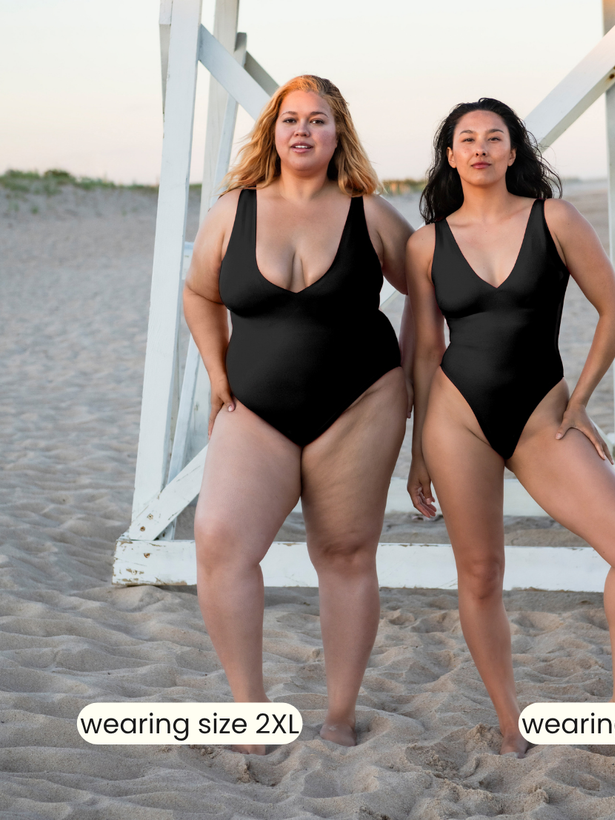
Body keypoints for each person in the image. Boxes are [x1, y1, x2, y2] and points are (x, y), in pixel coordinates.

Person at [405, 98, 615, 758]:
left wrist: (580, 401)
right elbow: (426, 350)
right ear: (451, 156)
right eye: (467, 138)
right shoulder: (426, 243)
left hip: (542, 416)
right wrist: (418, 450)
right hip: (456, 420)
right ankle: (511, 724)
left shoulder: (555, 219)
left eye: (495, 137)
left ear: (513, 151)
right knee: (481, 573)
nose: (481, 148)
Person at [184, 75, 414, 752]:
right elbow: (199, 294)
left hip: (361, 403)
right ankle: (249, 709)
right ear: (273, 131)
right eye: (291, 119)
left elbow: (432, 288)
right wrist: (217, 373)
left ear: (339, 133)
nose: (303, 130)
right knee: (219, 540)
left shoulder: (370, 213)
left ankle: (339, 715)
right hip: (253, 408)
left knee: (343, 553)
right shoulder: (233, 210)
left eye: (318, 119)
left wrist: (409, 376)